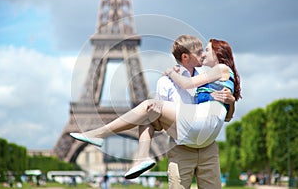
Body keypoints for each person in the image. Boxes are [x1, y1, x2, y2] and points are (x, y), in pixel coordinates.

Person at [70, 37, 241, 186]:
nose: (204, 53)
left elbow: (190, 86)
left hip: (200, 126)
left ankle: (101, 134)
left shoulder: (220, 70)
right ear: (185, 56)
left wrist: (170, 73)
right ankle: (141, 157)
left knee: (148, 106)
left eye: (206, 50)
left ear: (218, 53)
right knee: (149, 113)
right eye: (201, 51)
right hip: (194, 131)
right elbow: (223, 113)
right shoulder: (210, 78)